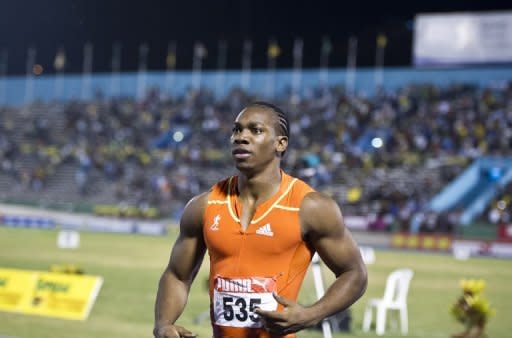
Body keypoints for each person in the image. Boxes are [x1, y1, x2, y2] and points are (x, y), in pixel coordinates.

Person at [153, 102, 367, 338]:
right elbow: (177, 275)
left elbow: (354, 273)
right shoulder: (204, 206)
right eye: (236, 130)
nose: (241, 137)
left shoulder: (310, 208)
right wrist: (164, 324)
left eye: (255, 130)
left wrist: (311, 314)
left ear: (280, 143)